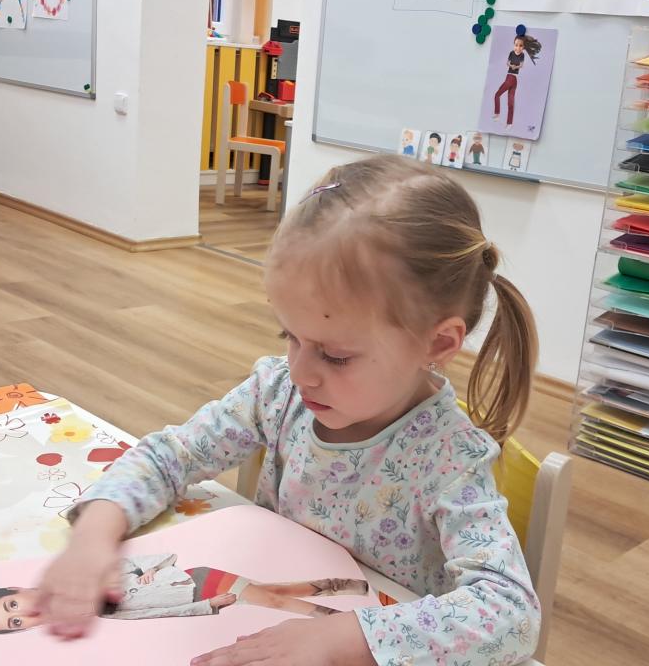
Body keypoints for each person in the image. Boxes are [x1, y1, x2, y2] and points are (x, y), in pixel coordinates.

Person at [38, 156, 541, 666]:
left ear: (437, 343)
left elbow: (511, 614)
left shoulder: (450, 459)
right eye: (290, 336)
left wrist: (342, 639)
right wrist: (94, 536)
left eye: (335, 355)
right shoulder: (278, 392)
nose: (301, 371)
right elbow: (171, 455)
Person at [0, 554, 369, 633]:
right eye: (14, 623)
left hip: (196, 577)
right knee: (274, 592)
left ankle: (342, 623)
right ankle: (342, 587)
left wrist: (152, 569)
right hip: (201, 596)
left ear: (16, 588)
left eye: (13, 605)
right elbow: (157, 615)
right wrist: (207, 607)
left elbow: (146, 559)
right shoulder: (97, 614)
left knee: (273, 599)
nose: (26, 615)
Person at [493, 34, 542, 127]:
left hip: (511, 78)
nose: (518, 48)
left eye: (520, 46)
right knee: (510, 102)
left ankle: (497, 114)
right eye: (516, 45)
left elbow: (521, 65)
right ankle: (509, 123)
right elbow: (507, 63)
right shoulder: (511, 53)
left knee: (497, 95)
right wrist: (511, 65)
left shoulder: (522, 55)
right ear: (514, 44)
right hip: (514, 79)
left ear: (523, 47)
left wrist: (516, 67)